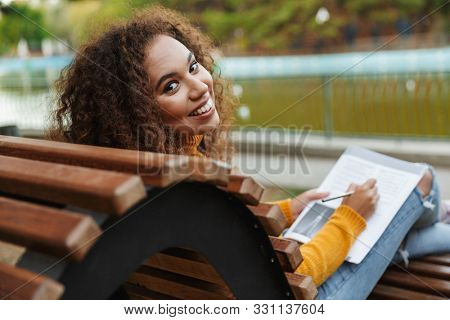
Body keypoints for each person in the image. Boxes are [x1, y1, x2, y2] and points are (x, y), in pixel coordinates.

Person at [49, 6, 450, 299]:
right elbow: (301, 274)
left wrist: (290, 210)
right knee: (420, 181)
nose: (200, 85)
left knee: (390, 228)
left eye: (193, 67)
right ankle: (436, 209)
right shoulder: (190, 183)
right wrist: (349, 218)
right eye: (169, 86)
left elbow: (226, 237)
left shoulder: (138, 174)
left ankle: (419, 229)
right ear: (133, 108)